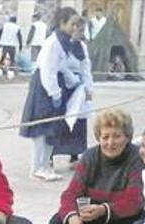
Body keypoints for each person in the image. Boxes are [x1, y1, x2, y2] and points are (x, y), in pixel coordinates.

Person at [20, 6, 86, 182]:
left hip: (56, 85)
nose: (75, 28)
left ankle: (45, 165)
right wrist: (55, 93)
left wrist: (72, 79)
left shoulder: (63, 41)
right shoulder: (53, 42)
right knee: (41, 129)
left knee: (52, 129)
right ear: (61, 23)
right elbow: (48, 70)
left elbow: (62, 66)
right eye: (72, 24)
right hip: (45, 88)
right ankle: (37, 167)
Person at [52, 15, 93, 168]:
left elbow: (86, 67)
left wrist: (88, 87)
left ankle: (74, 155)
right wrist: (71, 79)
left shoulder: (82, 47)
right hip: (64, 83)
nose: (78, 32)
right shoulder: (61, 44)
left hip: (78, 87)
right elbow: (60, 65)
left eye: (82, 29)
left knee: (78, 121)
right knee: (59, 121)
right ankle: (50, 156)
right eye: (76, 28)